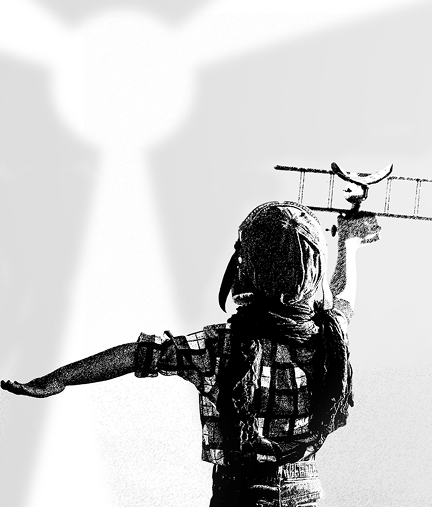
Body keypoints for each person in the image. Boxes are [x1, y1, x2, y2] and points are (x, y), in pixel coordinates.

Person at [1, 201, 381, 507]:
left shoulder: (220, 346)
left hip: (239, 493)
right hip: (304, 490)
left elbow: (137, 354)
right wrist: (349, 244)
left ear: (248, 269)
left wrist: (59, 378)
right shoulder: (329, 337)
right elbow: (344, 296)